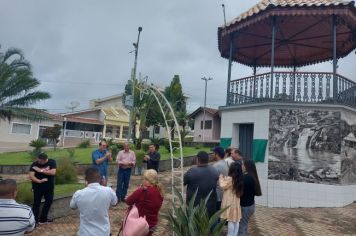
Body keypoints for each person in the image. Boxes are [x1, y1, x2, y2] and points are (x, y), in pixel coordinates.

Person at [70, 167, 117, 236]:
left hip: (85, 233)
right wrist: (104, 187)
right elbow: (114, 203)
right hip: (104, 232)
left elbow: (72, 206)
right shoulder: (108, 191)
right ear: (101, 178)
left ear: (86, 179)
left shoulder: (79, 194)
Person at [126, 169, 164, 235]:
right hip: (153, 223)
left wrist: (139, 189)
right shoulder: (160, 191)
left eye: (144, 179)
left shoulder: (143, 191)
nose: (143, 180)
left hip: (141, 223)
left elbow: (128, 201)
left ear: (147, 180)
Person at [183, 151, 219, 217]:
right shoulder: (214, 171)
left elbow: (183, 182)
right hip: (210, 207)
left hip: (194, 208)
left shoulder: (192, 171)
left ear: (197, 159)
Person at [29, 152, 56, 225]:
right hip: (38, 187)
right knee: (36, 204)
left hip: (49, 187)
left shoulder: (52, 162)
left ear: (45, 160)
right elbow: (31, 176)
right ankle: (35, 221)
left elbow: (53, 172)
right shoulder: (34, 164)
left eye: (40, 161)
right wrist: (39, 181)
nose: (39, 162)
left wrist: (40, 170)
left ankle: (43, 219)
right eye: (38, 160)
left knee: (49, 201)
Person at [238, 160, 262, 236]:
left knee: (241, 228)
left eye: (242, 164)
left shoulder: (245, 178)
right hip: (251, 205)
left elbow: (239, 192)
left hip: (245, 207)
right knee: (244, 225)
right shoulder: (253, 176)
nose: (241, 166)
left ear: (246, 166)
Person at [219, 162, 244, 236]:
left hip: (229, 202)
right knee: (236, 220)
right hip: (236, 201)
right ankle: (234, 234)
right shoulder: (240, 178)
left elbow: (222, 185)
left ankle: (230, 235)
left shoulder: (230, 179)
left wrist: (221, 178)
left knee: (230, 220)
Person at [212, 146, 229, 211]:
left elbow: (212, 180)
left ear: (217, 154)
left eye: (213, 153)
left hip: (217, 196)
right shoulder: (225, 163)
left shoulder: (216, 166)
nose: (212, 154)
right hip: (224, 194)